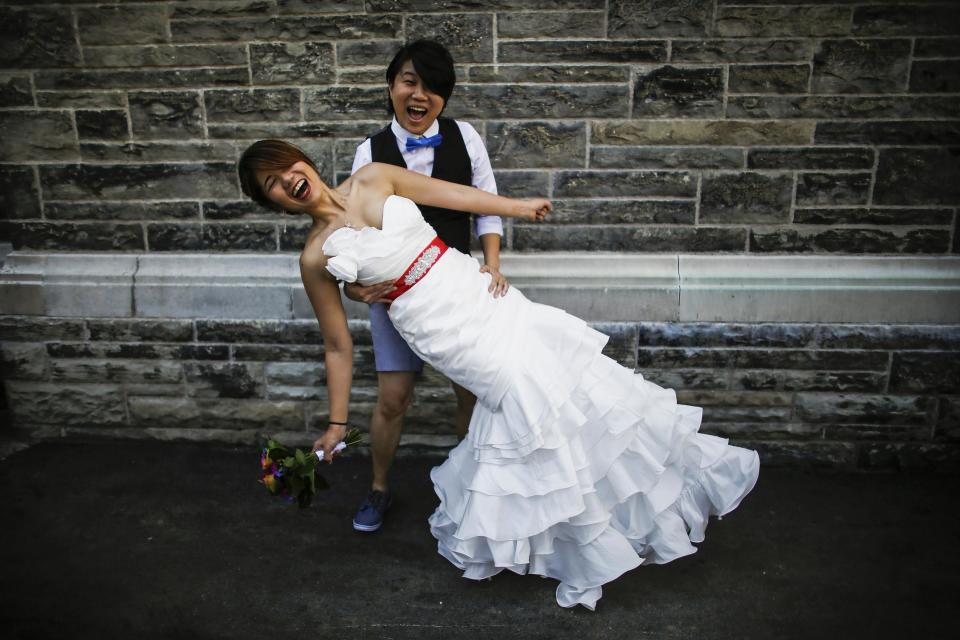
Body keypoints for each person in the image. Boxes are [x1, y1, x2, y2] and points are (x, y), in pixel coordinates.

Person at [237, 139, 760, 611]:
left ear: (301, 160)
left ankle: (624, 502)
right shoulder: (314, 257)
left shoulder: (375, 175)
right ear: (275, 204)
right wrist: (335, 420)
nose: (287, 182)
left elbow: (453, 196)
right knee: (526, 397)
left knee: (566, 382)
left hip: (472, 288)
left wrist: (517, 206)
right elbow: (337, 344)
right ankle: (580, 537)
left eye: (285, 168)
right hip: (439, 327)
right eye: (272, 186)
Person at [344, 40, 506, 533]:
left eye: (432, 87)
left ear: (444, 96)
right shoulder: (369, 152)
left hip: (457, 290)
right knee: (393, 399)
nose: (420, 95)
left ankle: (471, 487)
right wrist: (356, 289)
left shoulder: (466, 137)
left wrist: (492, 263)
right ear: (392, 86)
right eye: (410, 82)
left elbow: (487, 203)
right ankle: (377, 489)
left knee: (471, 393)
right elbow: (353, 233)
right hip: (395, 297)